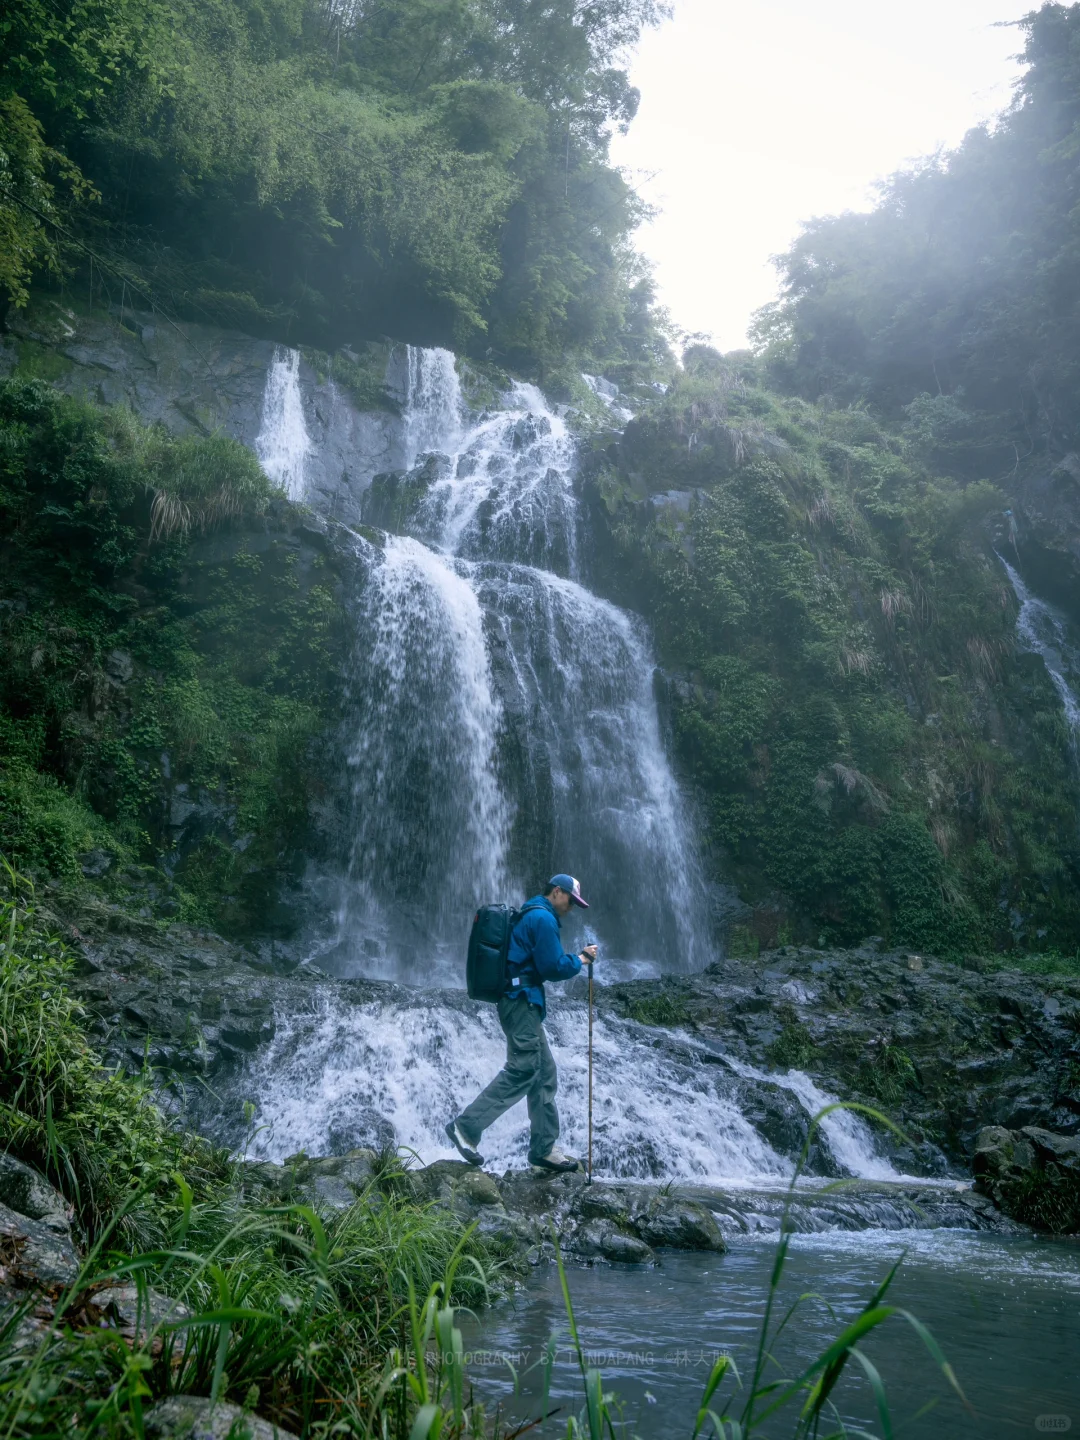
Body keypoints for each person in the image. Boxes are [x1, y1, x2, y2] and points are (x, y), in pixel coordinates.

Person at [446, 874, 598, 1172]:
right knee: (524, 1068)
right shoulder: (543, 919)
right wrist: (579, 960)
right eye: (570, 900)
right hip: (520, 1002)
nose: (571, 908)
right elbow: (551, 967)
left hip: (519, 1000)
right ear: (557, 892)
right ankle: (466, 1128)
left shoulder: (530, 913)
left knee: (543, 1072)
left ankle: (542, 1149)